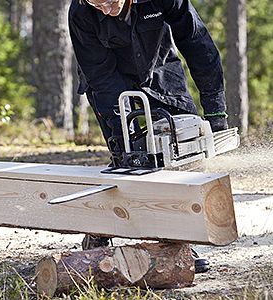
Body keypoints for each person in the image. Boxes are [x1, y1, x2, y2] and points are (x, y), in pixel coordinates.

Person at [69, 0, 227, 271]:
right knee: (128, 160)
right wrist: (128, 127)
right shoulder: (81, 12)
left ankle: (180, 240)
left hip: (161, 69)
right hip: (108, 81)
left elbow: (197, 42)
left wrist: (215, 110)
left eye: (110, 1)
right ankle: (100, 229)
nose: (106, 10)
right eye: (97, 4)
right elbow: (101, 74)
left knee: (184, 155)